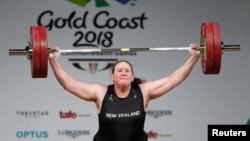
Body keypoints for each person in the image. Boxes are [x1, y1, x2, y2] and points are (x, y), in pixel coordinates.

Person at [49, 43, 200, 141]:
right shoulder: (100, 93)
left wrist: (195, 56)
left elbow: (174, 79)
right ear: (112, 77)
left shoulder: (144, 91)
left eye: (127, 70)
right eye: (119, 70)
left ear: (132, 76)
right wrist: (53, 59)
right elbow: (70, 84)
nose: (123, 72)